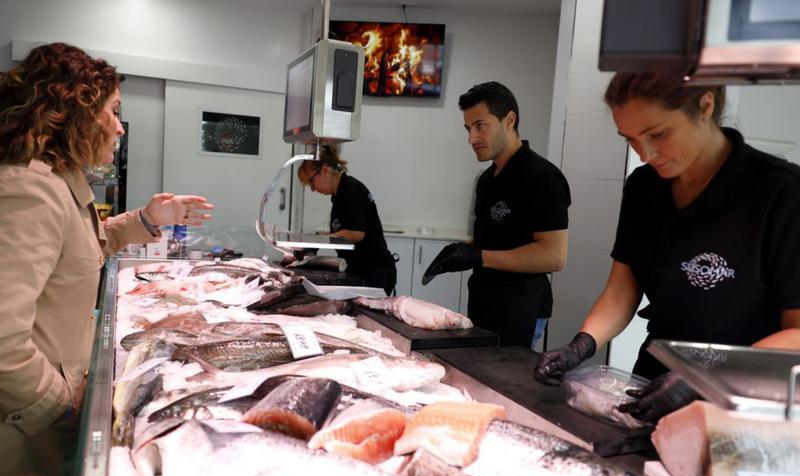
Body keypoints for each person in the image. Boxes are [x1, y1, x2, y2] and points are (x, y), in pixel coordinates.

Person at [0, 43, 213, 476]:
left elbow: (77, 246)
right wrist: (66, 407)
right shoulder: (28, 191)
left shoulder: (48, 179)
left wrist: (148, 219)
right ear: (72, 112)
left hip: (9, 414)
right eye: (113, 112)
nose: (119, 127)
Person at [534, 72, 800, 423]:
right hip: (653, 379)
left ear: (705, 106)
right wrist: (582, 344)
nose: (645, 154)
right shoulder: (644, 188)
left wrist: (700, 378)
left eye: (658, 134)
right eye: (630, 139)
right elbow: (622, 289)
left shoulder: (781, 194)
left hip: (740, 399)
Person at [423, 81, 571, 347]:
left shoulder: (541, 177)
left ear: (509, 120)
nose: (472, 139)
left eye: (481, 126)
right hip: (483, 306)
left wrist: (479, 256)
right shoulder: (488, 179)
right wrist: (463, 251)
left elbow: (554, 256)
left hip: (520, 311)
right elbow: (497, 240)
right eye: (468, 129)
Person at [296, 144, 397, 295]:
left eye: (312, 181)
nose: (313, 188)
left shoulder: (350, 190)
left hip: (375, 273)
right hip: (361, 270)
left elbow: (356, 233)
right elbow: (343, 230)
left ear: (325, 171)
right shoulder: (339, 195)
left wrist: (316, 241)